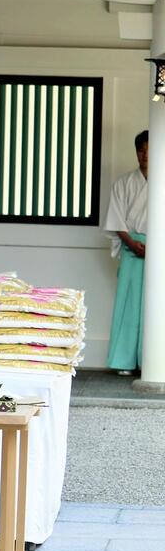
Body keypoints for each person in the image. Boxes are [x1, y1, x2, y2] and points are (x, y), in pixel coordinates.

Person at [105, 129, 149, 375]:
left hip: (159, 249)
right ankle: (124, 361)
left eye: (149, 150)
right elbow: (116, 219)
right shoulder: (123, 183)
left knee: (155, 305)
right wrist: (132, 244)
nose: (144, 155)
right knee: (129, 303)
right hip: (132, 247)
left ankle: (152, 361)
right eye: (140, 149)